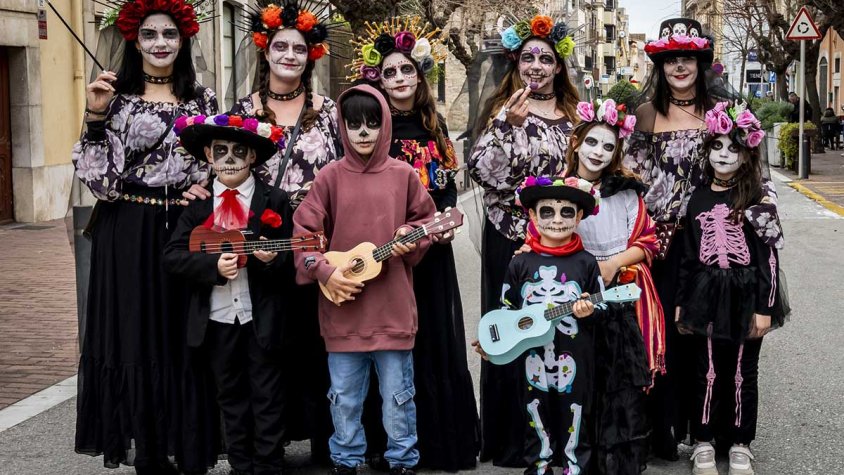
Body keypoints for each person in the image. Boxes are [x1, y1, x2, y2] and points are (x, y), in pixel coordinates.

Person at [181, 0, 345, 457]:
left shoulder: (329, 112)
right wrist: (198, 190)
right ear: (265, 51)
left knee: (315, 339)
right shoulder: (242, 111)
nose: (289, 55)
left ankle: (321, 438)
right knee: (268, 340)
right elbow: (221, 164)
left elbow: (344, 171)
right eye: (281, 46)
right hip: (259, 239)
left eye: (298, 47)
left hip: (314, 238)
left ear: (310, 55)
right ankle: (265, 446)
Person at [625, 18, 784, 460]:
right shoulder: (645, 114)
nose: (679, 66)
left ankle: (711, 433)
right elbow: (631, 180)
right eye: (671, 58)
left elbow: (754, 172)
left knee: (714, 341)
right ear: (661, 65)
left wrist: (761, 219)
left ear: (700, 62)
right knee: (665, 338)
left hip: (714, 241)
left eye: (688, 57)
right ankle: (666, 431)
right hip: (660, 245)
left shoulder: (724, 111)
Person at [71, 0, 220, 472]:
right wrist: (95, 117)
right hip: (129, 231)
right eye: (151, 35)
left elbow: (218, 160)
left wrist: (205, 184)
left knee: (186, 334)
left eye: (170, 35)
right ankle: (150, 452)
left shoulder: (204, 100)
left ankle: (190, 444)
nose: (161, 44)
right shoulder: (114, 99)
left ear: (184, 40)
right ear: (135, 40)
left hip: (183, 228)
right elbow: (98, 179)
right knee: (136, 337)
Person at [348, 16, 479, 471]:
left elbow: (445, 188)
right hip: (384, 255)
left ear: (420, 75)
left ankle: (437, 443)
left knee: (432, 339)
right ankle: (385, 444)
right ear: (378, 81)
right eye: (390, 72)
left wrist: (444, 218)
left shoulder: (435, 124)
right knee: (386, 347)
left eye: (407, 70)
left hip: (431, 255)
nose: (400, 79)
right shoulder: (370, 130)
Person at [292, 84, 437, 475]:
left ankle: (403, 459)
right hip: (342, 312)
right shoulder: (329, 177)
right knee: (343, 396)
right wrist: (325, 271)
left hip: (392, 309)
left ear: (385, 124)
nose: (363, 132)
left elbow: (426, 221)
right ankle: (346, 458)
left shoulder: (404, 174)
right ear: (341, 126)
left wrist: (411, 235)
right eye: (353, 124)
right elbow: (303, 234)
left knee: (397, 395)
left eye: (372, 123)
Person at [467, 14, 580, 466]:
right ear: (516, 64)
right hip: (509, 239)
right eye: (528, 57)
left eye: (545, 59)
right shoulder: (501, 112)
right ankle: (511, 439)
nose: (536, 65)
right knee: (511, 333)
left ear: (558, 67)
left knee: (556, 332)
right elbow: (479, 172)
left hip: (557, 239)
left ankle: (556, 436)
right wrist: (507, 126)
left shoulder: (573, 117)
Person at [164, 114, 291, 475]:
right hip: (217, 319)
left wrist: (269, 260)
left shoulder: (274, 199)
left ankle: (269, 464)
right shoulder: (199, 205)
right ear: (208, 155)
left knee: (267, 395)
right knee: (230, 397)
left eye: (239, 150)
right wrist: (212, 269)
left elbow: (289, 258)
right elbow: (172, 256)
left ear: (252, 156)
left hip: (260, 317)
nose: (230, 158)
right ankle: (241, 464)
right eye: (221, 151)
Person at [677, 102, 788, 475]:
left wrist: (765, 307)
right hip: (705, 292)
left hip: (746, 293)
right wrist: (681, 302)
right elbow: (689, 255)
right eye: (717, 147)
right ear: (707, 151)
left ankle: (741, 443)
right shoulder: (697, 197)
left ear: (747, 154)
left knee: (743, 369)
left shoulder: (758, 196)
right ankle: (704, 440)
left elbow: (768, 258)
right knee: (706, 368)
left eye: (734, 148)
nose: (724, 155)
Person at [475, 175, 600, 474]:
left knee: (576, 414)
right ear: (532, 215)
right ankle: (539, 465)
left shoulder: (587, 262)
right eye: (547, 211)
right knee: (535, 412)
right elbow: (505, 309)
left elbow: (602, 307)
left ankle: (575, 467)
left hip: (575, 357)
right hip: (531, 358)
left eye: (567, 212)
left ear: (580, 216)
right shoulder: (520, 263)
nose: (556, 220)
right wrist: (493, 343)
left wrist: (589, 311)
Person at [561, 99, 656, 474]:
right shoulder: (560, 190)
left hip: (619, 297)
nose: (598, 152)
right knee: (579, 379)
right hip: (575, 297)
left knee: (618, 382)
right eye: (592, 143)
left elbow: (646, 242)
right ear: (576, 144)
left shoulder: (627, 192)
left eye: (608, 146)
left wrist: (613, 263)